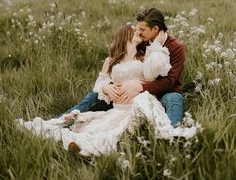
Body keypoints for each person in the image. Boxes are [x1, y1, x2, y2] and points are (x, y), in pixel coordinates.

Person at [16, 24, 196, 156]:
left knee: (137, 109)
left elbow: (155, 73)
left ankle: (168, 135)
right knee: (97, 128)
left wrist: (157, 45)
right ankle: (65, 130)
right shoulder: (111, 61)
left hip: (137, 102)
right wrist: (106, 87)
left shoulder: (145, 56)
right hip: (118, 108)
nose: (138, 31)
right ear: (124, 36)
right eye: (134, 30)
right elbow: (99, 83)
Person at [63, 8, 185, 127]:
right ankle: (61, 120)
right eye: (137, 28)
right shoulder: (141, 41)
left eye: (142, 29)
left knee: (174, 99)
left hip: (161, 93)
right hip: (125, 97)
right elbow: (121, 56)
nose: (138, 32)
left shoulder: (175, 47)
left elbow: (170, 81)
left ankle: (171, 135)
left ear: (155, 29)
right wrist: (108, 87)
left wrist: (140, 87)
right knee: (94, 97)